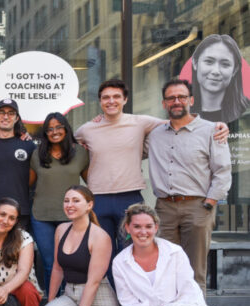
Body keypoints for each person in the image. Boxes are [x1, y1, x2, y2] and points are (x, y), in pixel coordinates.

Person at [75, 78, 228, 260]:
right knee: (102, 253)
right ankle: (109, 281)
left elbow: (178, 121)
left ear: (125, 100)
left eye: (116, 96)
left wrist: (219, 126)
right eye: (106, 97)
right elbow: (69, 146)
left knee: (132, 253)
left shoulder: (141, 122)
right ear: (100, 101)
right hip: (99, 197)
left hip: (130, 197)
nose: (111, 101)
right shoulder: (87, 129)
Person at [148, 79, 231, 294]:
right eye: (171, 98)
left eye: (182, 97)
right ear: (164, 103)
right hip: (164, 209)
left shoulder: (212, 130)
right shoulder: (155, 134)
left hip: (198, 207)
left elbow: (222, 171)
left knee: (195, 269)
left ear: (191, 100)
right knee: (164, 267)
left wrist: (209, 203)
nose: (176, 101)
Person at [39, 186, 125, 306]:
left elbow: (93, 282)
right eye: (66, 201)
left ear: (89, 205)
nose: (69, 205)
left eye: (76, 201)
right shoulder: (61, 229)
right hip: (71, 294)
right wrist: (51, 301)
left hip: (99, 300)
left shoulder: (100, 236)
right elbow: (57, 268)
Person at [29, 112, 89, 289]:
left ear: (66, 129)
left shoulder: (80, 152)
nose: (54, 132)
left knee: (70, 263)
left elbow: (91, 182)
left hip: (71, 217)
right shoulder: (37, 154)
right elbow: (28, 183)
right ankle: (53, 302)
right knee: (50, 264)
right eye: (49, 129)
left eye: (58, 127)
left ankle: (70, 300)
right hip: (42, 216)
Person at [0, 99, 36, 231]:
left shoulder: (28, 145)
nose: (6, 116)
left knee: (19, 245)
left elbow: (34, 176)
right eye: (2, 112)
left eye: (11, 113)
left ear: (17, 118)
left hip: (20, 211)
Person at [190, 34, 250, 123]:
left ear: (235, 70)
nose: (216, 71)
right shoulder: (180, 111)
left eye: (225, 64)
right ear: (195, 63)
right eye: (209, 61)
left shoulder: (246, 111)